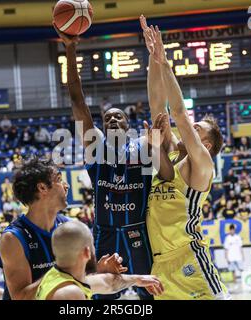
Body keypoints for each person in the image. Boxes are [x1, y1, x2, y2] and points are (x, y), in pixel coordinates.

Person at [55, 23, 166, 300]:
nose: (113, 119)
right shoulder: (96, 149)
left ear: (128, 124)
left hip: (137, 233)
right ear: (102, 128)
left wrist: (156, 60)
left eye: (118, 116)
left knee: (151, 295)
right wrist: (70, 50)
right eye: (107, 118)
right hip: (104, 235)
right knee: (103, 298)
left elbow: (158, 109)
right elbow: (77, 99)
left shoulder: (143, 146)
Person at [141, 17, 229, 300]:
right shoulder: (172, 157)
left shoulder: (202, 165)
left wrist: (165, 63)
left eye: (197, 128)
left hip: (190, 257)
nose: (190, 129)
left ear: (204, 143)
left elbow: (178, 113)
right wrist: (153, 59)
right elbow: (158, 107)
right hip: (160, 265)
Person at [0, 158, 126, 300]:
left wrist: (98, 270)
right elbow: (21, 297)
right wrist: (63, 271)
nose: (66, 185)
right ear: (42, 188)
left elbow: (81, 279)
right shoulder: (13, 238)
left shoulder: (70, 226)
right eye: (59, 179)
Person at [36, 220, 163, 300]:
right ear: (86, 252)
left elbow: (108, 283)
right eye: (92, 246)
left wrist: (137, 280)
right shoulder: (69, 294)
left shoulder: (57, 277)